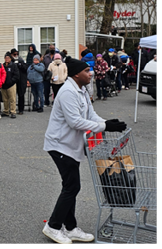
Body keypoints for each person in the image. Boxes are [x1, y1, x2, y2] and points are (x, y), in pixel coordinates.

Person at [41, 59, 127, 243]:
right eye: (87, 71)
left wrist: (108, 122)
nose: (91, 74)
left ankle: (70, 228)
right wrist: (104, 127)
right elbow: (75, 122)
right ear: (76, 74)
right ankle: (53, 226)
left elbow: (89, 115)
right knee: (72, 186)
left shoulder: (81, 90)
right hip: (60, 145)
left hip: (70, 145)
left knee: (70, 186)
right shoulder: (67, 93)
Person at [1, 52, 18, 119]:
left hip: (11, 85)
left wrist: (11, 81)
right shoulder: (2, 65)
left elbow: (16, 75)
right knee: (5, 99)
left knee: (12, 99)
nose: (7, 59)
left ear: (10, 59)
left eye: (8, 58)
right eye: (5, 58)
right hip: (3, 85)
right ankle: (6, 111)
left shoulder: (13, 65)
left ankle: (13, 112)